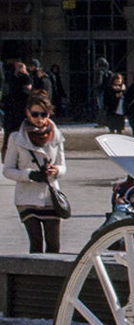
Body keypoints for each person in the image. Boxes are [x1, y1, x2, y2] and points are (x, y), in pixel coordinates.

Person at [4, 90, 66, 253]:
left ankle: (54, 278)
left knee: (53, 244)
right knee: (36, 243)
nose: (39, 119)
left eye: (43, 114)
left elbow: (63, 166)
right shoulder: (17, 138)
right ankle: (34, 278)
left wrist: (56, 171)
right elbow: (7, 170)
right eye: (35, 114)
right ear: (28, 113)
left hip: (50, 196)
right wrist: (29, 175)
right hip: (26, 197)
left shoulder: (56, 136)